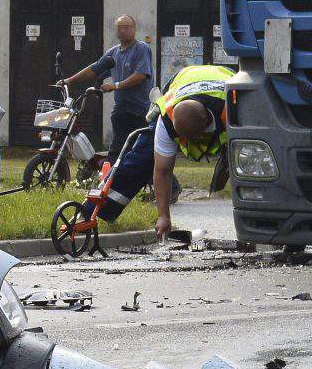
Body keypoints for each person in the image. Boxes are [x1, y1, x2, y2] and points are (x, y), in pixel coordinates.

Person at [90, 61, 233, 238]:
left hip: (225, 77)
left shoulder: (234, 108)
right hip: (181, 80)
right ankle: (93, 213)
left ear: (205, 121)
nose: (186, 144)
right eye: (182, 138)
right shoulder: (167, 119)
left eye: (192, 138)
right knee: (144, 154)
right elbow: (162, 170)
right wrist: (163, 216)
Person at [59, 16, 153, 165]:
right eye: (120, 27)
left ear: (134, 29)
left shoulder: (141, 48)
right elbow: (94, 69)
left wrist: (115, 86)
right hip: (121, 110)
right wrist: (69, 81)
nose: (123, 30)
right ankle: (112, 181)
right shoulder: (114, 53)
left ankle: (167, 184)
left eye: (127, 27)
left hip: (139, 111)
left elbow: (140, 76)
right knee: (120, 150)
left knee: (138, 151)